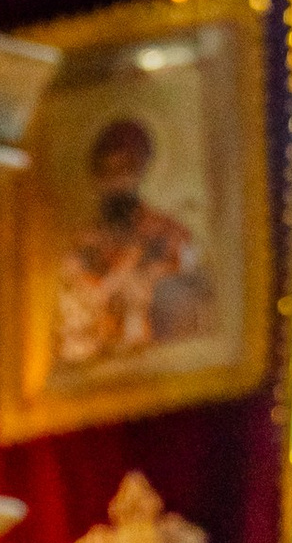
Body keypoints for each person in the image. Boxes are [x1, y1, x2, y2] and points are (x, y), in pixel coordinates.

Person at [53, 114, 214, 369]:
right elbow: (73, 316)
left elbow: (193, 299)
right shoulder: (82, 247)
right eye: (107, 171)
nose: (116, 181)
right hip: (101, 372)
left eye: (125, 169)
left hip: (163, 368)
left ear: (140, 172)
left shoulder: (171, 234)